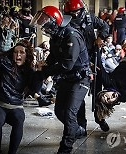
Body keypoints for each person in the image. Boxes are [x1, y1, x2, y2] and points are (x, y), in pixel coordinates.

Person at [30, 6, 91, 154]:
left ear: (54, 21)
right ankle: (78, 130)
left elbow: (67, 64)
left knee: (70, 113)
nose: (43, 25)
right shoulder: (57, 36)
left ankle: (65, 148)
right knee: (59, 111)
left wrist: (46, 72)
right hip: (67, 78)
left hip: (80, 79)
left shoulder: (71, 36)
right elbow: (54, 56)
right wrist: (44, 64)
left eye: (45, 22)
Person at [64, 0, 110, 132]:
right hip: (78, 60)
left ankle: (100, 117)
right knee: (78, 92)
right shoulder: (67, 23)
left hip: (93, 55)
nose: (75, 14)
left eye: (77, 11)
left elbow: (105, 26)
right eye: (72, 12)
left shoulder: (90, 18)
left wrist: (101, 37)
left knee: (98, 90)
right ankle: (81, 125)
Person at [0, 39, 36, 154]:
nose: (18, 55)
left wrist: (39, 73)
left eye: (22, 52)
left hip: (16, 106)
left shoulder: (29, 71)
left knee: (19, 120)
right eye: (16, 52)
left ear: (27, 55)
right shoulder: (4, 62)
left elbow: (35, 89)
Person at [95, 46, 126, 123]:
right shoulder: (124, 97)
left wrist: (97, 48)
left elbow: (100, 69)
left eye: (106, 97)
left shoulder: (108, 83)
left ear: (104, 91)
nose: (110, 98)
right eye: (109, 101)